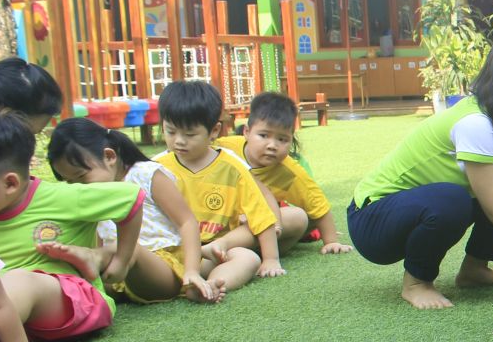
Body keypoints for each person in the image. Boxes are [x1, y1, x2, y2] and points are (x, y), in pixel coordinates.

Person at [350, 34, 493, 310]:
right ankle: (416, 282)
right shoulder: (476, 124)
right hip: (373, 220)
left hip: (423, 207)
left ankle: (474, 268)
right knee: (452, 198)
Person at [0, 111, 144, 342]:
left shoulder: (64, 197)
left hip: (71, 301)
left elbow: (131, 199)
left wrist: (121, 261)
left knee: (18, 281)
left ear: (10, 183)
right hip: (10, 314)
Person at [45, 120, 221, 303]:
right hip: (116, 274)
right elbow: (97, 234)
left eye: (82, 176)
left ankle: (96, 260)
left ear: (109, 156)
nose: (78, 187)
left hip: (164, 269)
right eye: (70, 182)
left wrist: (191, 272)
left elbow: (186, 222)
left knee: (127, 248)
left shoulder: (145, 174)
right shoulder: (87, 195)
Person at [153, 81, 282, 293]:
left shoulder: (232, 167)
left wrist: (271, 259)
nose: (179, 141)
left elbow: (261, 216)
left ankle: (208, 288)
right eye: (171, 132)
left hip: (215, 253)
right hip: (172, 253)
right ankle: (189, 282)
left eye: (190, 134)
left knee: (248, 258)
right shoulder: (155, 169)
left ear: (214, 131)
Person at [216, 92, 351, 257]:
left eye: (282, 139)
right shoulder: (223, 149)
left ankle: (238, 252)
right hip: (215, 224)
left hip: (260, 235)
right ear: (246, 132)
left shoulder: (290, 172)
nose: (272, 145)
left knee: (298, 217)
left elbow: (318, 205)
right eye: (263, 136)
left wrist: (331, 241)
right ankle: (222, 249)